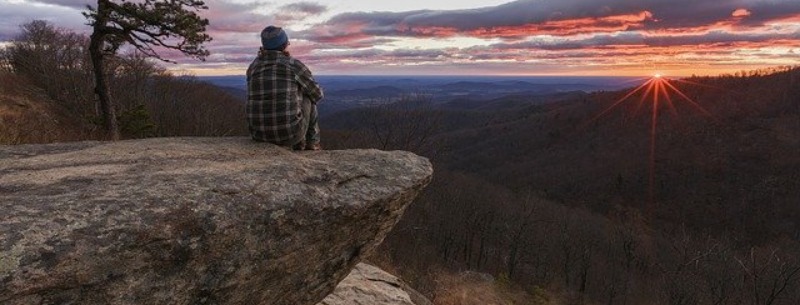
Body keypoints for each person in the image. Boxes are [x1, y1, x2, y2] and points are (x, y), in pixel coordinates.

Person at [246, 26, 324, 150]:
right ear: (284, 45)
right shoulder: (293, 65)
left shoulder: (253, 66)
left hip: (258, 135)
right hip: (290, 136)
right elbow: (317, 94)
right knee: (308, 96)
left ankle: (304, 143)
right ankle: (312, 145)